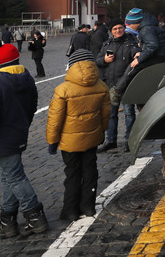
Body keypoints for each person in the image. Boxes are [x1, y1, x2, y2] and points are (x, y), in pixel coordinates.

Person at [0, 42, 47, 237]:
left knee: (15, 176)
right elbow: (33, 106)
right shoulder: (27, 77)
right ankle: (8, 220)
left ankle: (35, 216)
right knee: (9, 176)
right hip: (19, 132)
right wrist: (24, 125)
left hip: (1, 138)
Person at [46, 49, 111, 221]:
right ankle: (88, 206)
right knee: (90, 171)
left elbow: (55, 119)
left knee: (72, 173)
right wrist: (102, 132)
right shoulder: (102, 86)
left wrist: (52, 141)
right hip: (92, 137)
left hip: (69, 141)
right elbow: (106, 115)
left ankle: (70, 210)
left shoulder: (62, 89)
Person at [95, 19, 140, 153]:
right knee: (111, 114)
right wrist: (104, 60)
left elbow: (135, 51)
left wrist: (137, 54)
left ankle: (129, 140)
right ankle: (111, 141)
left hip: (126, 83)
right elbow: (97, 60)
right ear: (111, 31)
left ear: (124, 28)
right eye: (115, 29)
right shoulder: (107, 44)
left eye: (120, 28)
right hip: (111, 84)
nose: (118, 31)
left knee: (129, 113)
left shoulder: (130, 42)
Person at [113, 8, 165, 97]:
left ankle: (117, 91)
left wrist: (139, 59)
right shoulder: (147, 26)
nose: (128, 26)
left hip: (160, 55)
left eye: (129, 24)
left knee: (133, 66)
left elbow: (153, 46)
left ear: (136, 22)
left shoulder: (145, 29)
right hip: (162, 53)